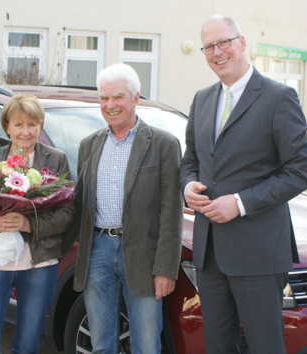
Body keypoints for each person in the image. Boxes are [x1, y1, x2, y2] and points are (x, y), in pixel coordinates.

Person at [179, 16, 307, 354]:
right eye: (208, 46)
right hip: (209, 252)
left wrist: (239, 203)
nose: (217, 52)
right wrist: (188, 186)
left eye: (223, 42)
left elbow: (302, 168)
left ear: (241, 42)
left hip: (258, 252)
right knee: (218, 346)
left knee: (264, 346)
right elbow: (190, 162)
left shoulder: (278, 97)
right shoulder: (202, 99)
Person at [71, 63, 183, 353]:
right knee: (101, 344)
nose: (110, 105)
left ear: (135, 98)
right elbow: (78, 204)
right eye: (104, 98)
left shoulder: (163, 144)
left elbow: (172, 212)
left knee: (146, 344)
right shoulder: (89, 145)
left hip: (143, 257)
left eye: (118, 97)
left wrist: (166, 269)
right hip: (97, 251)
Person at [0, 94, 73, 353]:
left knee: (27, 344)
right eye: (18, 125)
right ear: (7, 127)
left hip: (38, 264)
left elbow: (66, 214)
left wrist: (28, 224)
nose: (26, 132)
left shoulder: (56, 160)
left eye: (32, 125)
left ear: (40, 126)